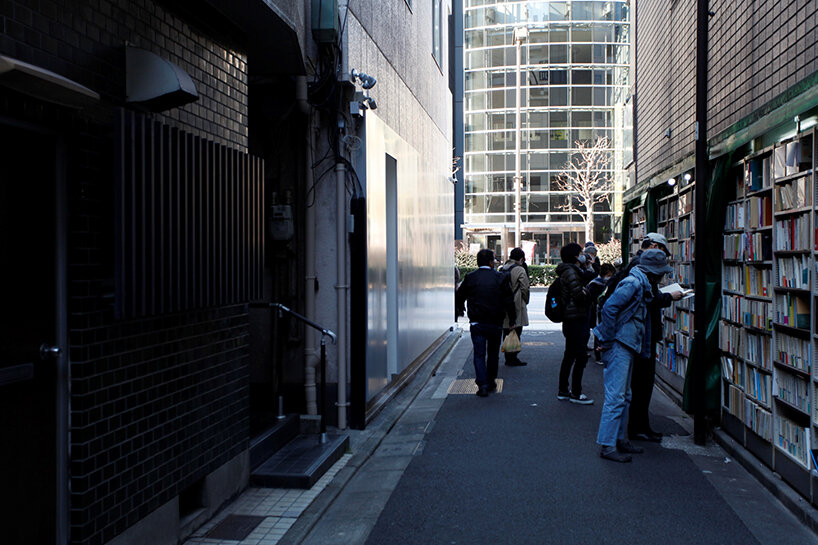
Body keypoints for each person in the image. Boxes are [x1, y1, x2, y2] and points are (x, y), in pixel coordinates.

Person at [594, 249, 673, 462]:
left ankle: (619, 439)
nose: (663, 276)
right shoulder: (634, 284)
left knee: (624, 396)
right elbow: (609, 308)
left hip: (626, 343)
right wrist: (608, 339)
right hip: (620, 343)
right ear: (654, 271)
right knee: (616, 397)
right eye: (661, 272)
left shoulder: (640, 282)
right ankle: (608, 445)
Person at [628, 233, 683, 442]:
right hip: (643, 333)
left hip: (644, 332)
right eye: (661, 251)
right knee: (642, 383)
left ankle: (641, 425)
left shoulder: (637, 267)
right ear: (652, 246)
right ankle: (638, 427)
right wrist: (669, 296)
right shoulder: (640, 270)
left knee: (643, 383)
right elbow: (647, 298)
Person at [455, 249, 517, 397]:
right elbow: (509, 300)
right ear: (491, 262)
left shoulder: (471, 277)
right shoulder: (501, 277)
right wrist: (512, 319)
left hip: (477, 321)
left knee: (479, 353)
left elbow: (459, 295)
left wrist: (461, 308)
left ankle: (481, 384)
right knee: (493, 353)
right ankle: (491, 381)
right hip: (495, 322)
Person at [555, 242, 594, 405]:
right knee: (579, 355)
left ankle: (563, 390)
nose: (584, 254)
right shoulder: (571, 272)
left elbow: (588, 277)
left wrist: (588, 266)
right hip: (575, 317)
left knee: (570, 354)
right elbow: (579, 295)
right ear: (575, 256)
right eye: (581, 253)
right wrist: (587, 293)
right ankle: (576, 393)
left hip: (570, 318)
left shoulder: (571, 270)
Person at [499, 248, 530, 366]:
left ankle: (508, 356)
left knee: (506, 330)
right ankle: (513, 358)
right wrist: (525, 301)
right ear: (521, 259)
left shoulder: (503, 268)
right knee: (517, 330)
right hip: (516, 303)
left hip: (504, 304)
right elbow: (525, 288)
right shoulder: (519, 269)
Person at [587, 263, 616, 362]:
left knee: (601, 331)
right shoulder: (595, 284)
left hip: (601, 310)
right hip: (597, 310)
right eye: (609, 275)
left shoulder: (597, 282)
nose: (609, 277)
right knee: (599, 332)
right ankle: (598, 355)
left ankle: (601, 354)